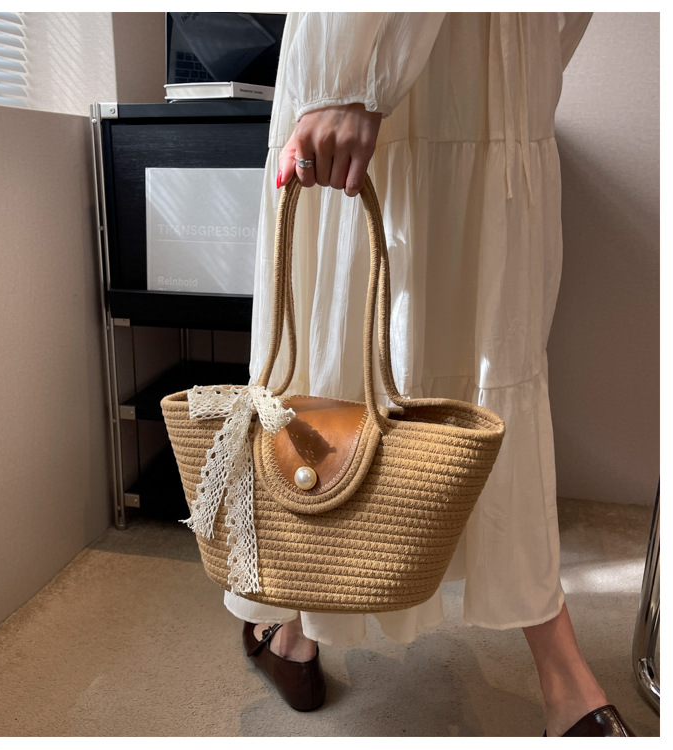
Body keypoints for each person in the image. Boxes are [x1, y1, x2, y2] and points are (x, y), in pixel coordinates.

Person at [230, 13, 635, 737]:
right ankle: (566, 680)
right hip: (498, 62)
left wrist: (347, 79)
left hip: (380, 47)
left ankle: (293, 634)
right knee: (488, 359)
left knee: (337, 338)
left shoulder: (356, 72)